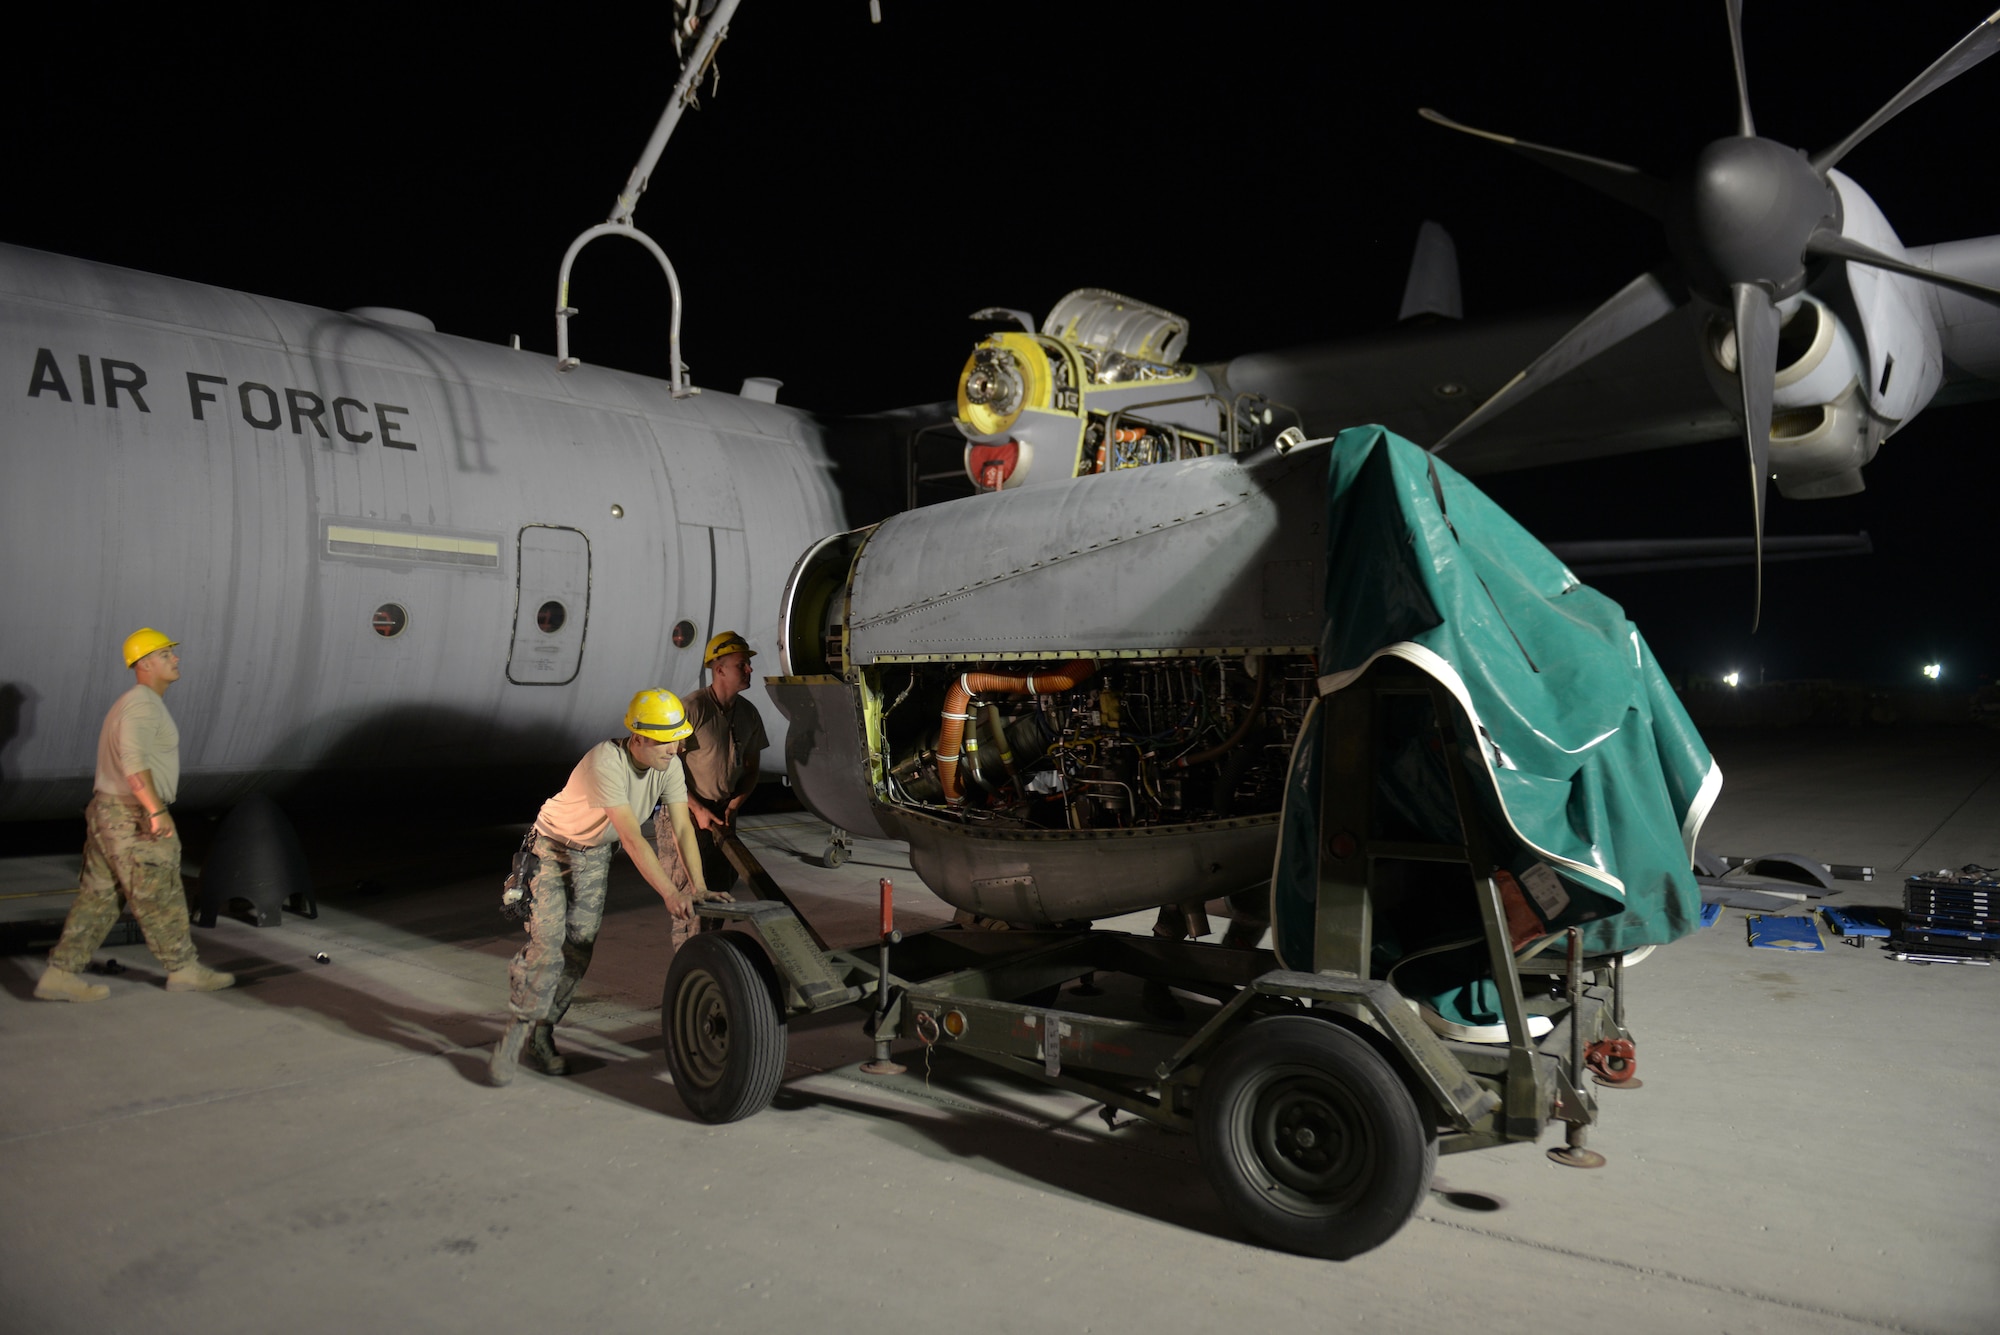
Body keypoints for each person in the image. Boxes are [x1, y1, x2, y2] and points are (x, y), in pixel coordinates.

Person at [490, 687, 727, 1085]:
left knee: (579, 948)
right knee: (548, 948)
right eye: (666, 742)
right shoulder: (606, 762)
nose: (676, 748)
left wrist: (698, 886)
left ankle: (542, 1033)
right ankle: (517, 1031)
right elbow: (633, 838)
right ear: (638, 739)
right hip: (551, 849)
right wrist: (671, 893)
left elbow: (683, 826)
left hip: (594, 855)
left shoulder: (668, 765)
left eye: (679, 739)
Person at [36, 629, 235, 1002]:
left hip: (108, 813)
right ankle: (183, 969)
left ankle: (60, 974)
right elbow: (134, 763)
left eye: (172, 653)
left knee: (98, 898)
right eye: (165, 655)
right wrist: (156, 811)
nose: (175, 659)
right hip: (132, 818)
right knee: (160, 895)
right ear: (144, 664)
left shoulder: (135, 702)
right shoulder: (142, 705)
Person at [666, 630, 769, 897]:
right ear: (720, 670)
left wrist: (735, 804)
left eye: (748, 663)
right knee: (691, 899)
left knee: (720, 891)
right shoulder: (692, 709)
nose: (749, 669)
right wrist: (698, 809)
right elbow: (666, 769)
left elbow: (752, 768)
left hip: (723, 815)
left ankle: (713, 938)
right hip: (688, 814)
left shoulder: (749, 714)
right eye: (741, 664)